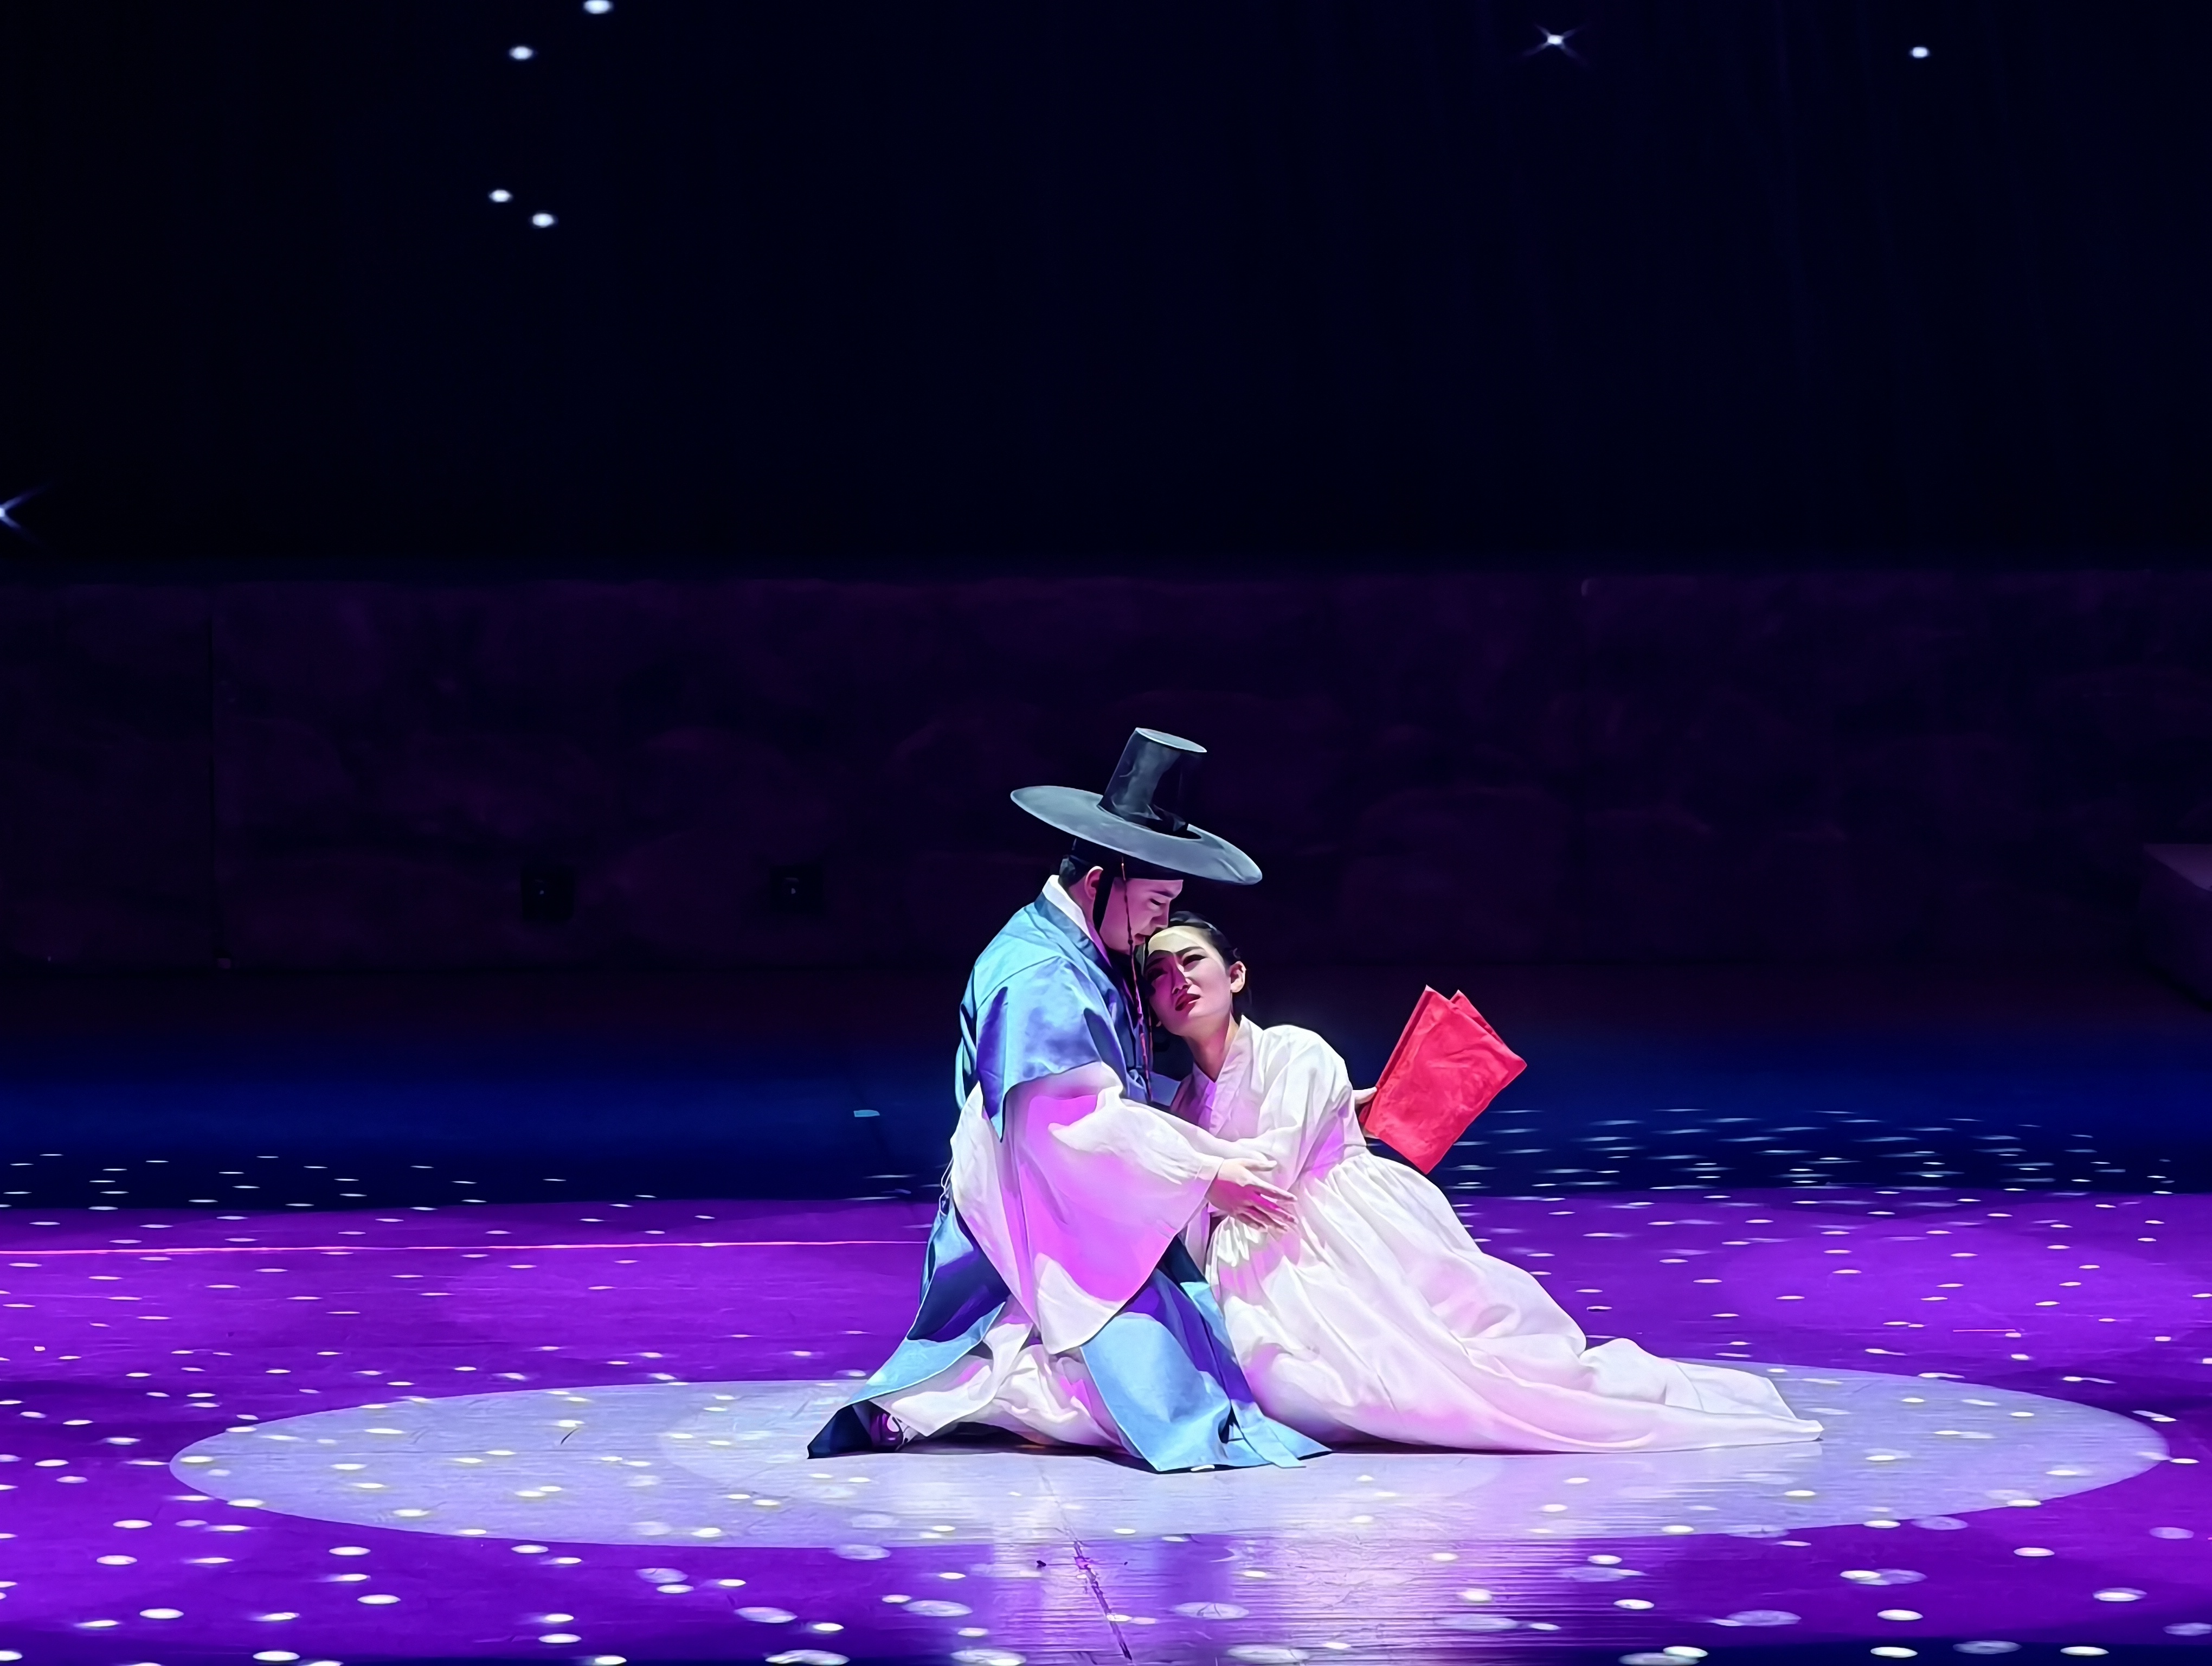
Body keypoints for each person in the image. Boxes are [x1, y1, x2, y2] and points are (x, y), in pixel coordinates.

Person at [808, 730, 1325, 1471]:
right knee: (1160, 1387)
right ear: (1099, 883)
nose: (1160, 926)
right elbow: (1072, 1130)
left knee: (1206, 1358)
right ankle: (949, 1395)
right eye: (1156, 903)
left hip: (1080, 1194)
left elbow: (1121, 1099)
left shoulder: (1083, 949)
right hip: (1034, 1212)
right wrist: (1207, 1174)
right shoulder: (1041, 975)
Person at [1143, 913, 1824, 1452]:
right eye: (1158, 974)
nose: (1179, 980)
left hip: (1342, 1234)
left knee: (1415, 1382)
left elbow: (1270, 1169)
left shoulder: (1296, 1048)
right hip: (1258, 1259)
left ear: (1236, 975)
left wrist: (1182, 1165)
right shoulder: (1183, 1102)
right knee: (1283, 1384)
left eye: (1192, 961)